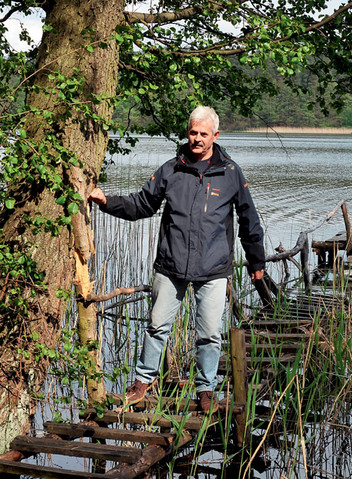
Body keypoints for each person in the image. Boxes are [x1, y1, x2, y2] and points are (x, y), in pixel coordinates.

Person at [88, 106, 265, 414]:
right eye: (193, 132)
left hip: (213, 268)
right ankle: (143, 382)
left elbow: (249, 220)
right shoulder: (171, 169)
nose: (197, 139)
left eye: (204, 134)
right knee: (157, 326)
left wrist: (256, 262)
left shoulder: (231, 173)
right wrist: (107, 202)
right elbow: (141, 205)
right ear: (188, 132)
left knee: (209, 334)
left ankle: (205, 388)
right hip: (171, 265)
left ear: (216, 136)